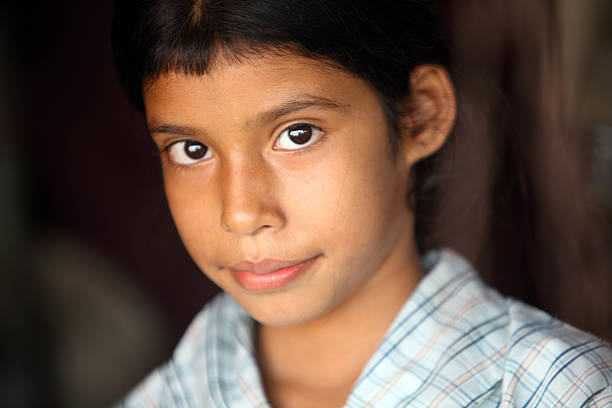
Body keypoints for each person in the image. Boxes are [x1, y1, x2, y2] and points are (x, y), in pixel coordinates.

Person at [111, 0, 612, 406]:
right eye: (190, 150)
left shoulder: (563, 392)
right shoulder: (166, 397)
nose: (240, 212)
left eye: (298, 134)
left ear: (421, 114)